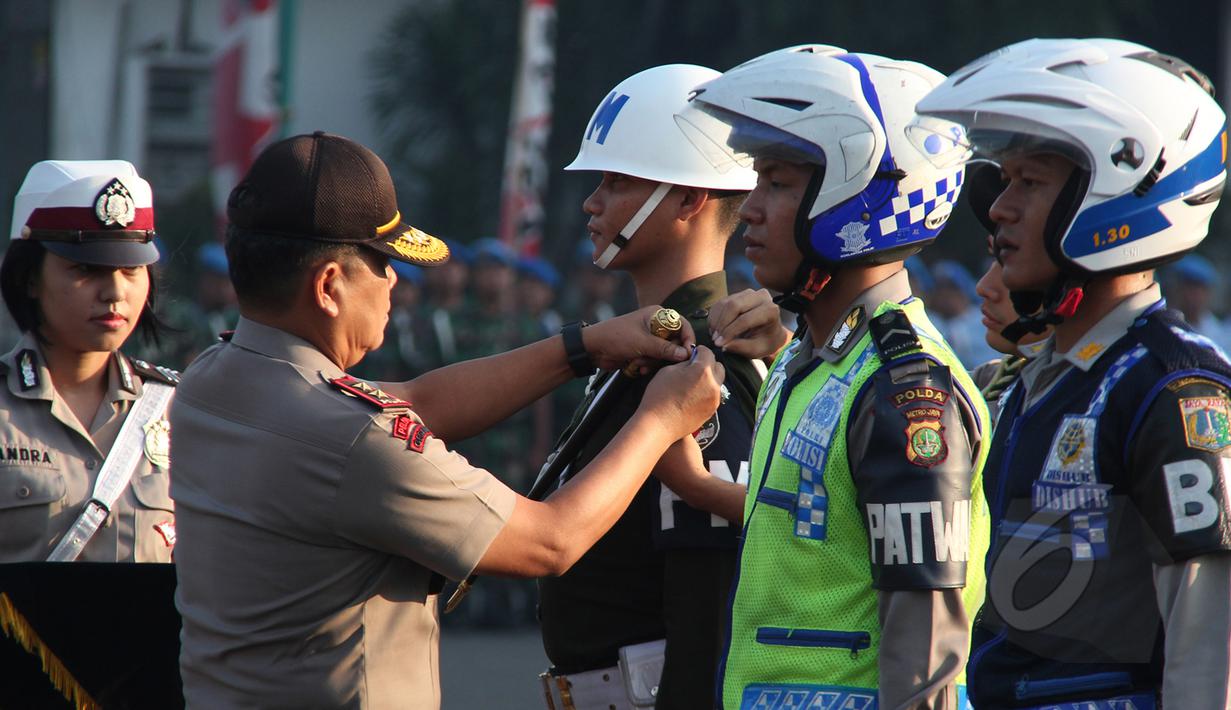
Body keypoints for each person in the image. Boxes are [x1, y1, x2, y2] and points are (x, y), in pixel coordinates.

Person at [168, 131, 725, 709]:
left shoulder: (212, 380)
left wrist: (581, 348)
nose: (392, 283)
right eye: (383, 263)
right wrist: (662, 418)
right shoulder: (352, 439)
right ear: (330, 285)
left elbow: (415, 400)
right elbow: (549, 541)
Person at [672, 45, 993, 707]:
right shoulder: (811, 360)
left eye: (778, 183)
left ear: (860, 196)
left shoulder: (906, 390)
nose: (750, 208)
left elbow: (923, 650)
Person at [917, 37, 1231, 707]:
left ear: (1120, 193)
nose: (997, 209)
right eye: (1004, 183)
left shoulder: (1172, 390)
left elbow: (1210, 645)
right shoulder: (1041, 380)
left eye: (1028, 183)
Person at [535, 63, 764, 709]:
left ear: (689, 198)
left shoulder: (696, 362)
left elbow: (708, 591)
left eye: (616, 181)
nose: (592, 202)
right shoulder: (652, 347)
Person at [0, 159, 177, 564]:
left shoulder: (182, 410)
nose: (115, 291)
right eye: (86, 269)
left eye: (131, 269)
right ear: (30, 278)